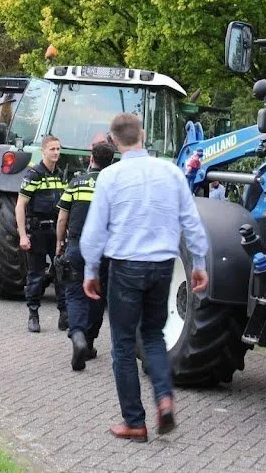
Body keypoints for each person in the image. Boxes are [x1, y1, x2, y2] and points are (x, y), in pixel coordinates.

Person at [81, 113, 210, 442]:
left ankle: (134, 422)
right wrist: (198, 263)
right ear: (143, 134)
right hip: (164, 264)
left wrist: (91, 270)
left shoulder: (110, 177)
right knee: (153, 336)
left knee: (123, 344)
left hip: (126, 266)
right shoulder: (171, 172)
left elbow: (94, 231)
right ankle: (164, 399)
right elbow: (191, 221)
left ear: (113, 141)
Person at [56, 141, 115, 371]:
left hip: (77, 245)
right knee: (97, 294)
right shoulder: (112, 184)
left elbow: (62, 217)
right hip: (104, 249)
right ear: (111, 161)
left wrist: (59, 243)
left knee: (75, 294)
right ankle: (89, 341)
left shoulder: (77, 182)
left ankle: (78, 335)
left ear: (92, 158)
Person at [17, 135, 67, 333]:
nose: (56, 152)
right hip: (38, 231)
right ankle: (33, 315)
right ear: (43, 151)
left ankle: (64, 315)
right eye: (52, 149)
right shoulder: (34, 174)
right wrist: (22, 235)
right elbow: (20, 205)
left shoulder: (59, 175)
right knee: (36, 274)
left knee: (61, 273)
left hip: (56, 230)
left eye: (58, 149)